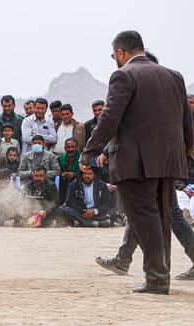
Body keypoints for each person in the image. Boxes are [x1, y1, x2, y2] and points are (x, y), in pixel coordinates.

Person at [81, 30, 193, 294]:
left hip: (135, 160)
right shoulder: (174, 76)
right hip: (169, 159)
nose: (114, 60)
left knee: (144, 217)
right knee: (162, 216)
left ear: (121, 52)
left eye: (113, 55)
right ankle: (159, 276)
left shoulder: (124, 75)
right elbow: (186, 119)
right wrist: (187, 150)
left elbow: (109, 117)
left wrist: (91, 150)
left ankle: (156, 279)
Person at [57, 138, 81, 204]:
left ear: (77, 148)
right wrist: (63, 174)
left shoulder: (82, 158)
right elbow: (57, 171)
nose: (71, 149)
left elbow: (88, 173)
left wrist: (74, 174)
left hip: (79, 182)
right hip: (64, 182)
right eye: (68, 147)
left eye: (73, 147)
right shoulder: (60, 158)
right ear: (65, 148)